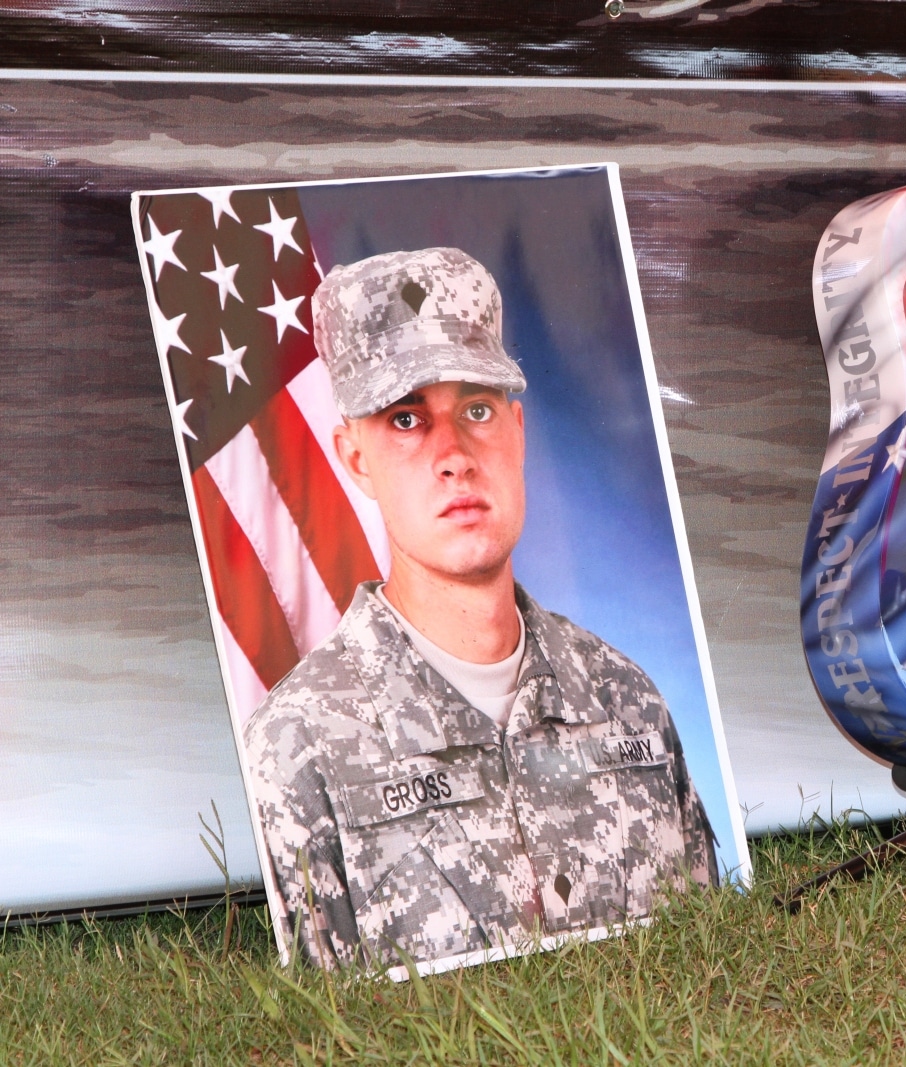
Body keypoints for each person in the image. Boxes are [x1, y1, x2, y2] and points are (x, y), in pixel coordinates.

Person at [243, 247, 716, 972]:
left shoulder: (627, 699)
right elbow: (320, 1022)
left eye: (476, 409)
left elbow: (710, 970)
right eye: (407, 419)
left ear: (517, 432)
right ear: (355, 458)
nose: (455, 455)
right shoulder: (296, 746)